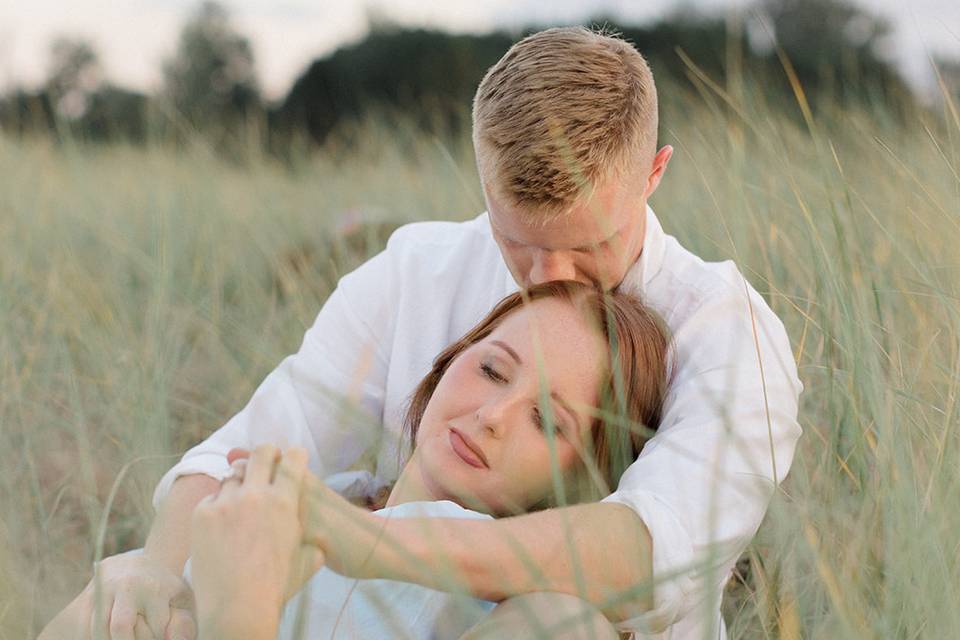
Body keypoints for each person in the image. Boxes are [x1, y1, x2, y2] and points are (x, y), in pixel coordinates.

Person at [49, 26, 802, 639]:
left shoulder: (726, 331)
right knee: (120, 595)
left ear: (654, 173)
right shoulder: (419, 269)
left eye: (585, 244)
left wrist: (358, 541)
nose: (548, 279)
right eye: (519, 241)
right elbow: (256, 442)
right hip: (362, 591)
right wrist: (157, 569)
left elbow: (649, 551)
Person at [187, 281, 670, 639]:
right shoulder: (325, 493)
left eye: (546, 420)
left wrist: (240, 611)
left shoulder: (547, 620)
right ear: (450, 359)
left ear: (579, 481)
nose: (492, 415)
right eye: (492, 370)